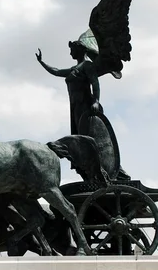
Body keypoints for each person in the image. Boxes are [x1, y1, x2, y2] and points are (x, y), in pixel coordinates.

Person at [36, 29, 130, 181]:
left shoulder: (87, 66)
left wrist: (96, 101)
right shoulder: (74, 69)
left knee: (93, 140)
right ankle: (90, 172)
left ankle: (116, 172)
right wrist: (42, 62)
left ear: (80, 50)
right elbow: (57, 71)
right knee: (82, 140)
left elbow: (95, 83)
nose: (70, 53)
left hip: (87, 106)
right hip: (76, 109)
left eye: (72, 50)